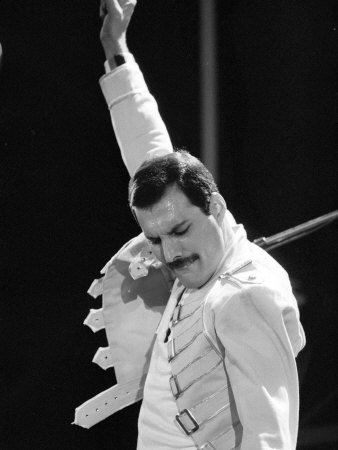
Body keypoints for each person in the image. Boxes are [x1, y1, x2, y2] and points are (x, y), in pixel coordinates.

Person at [74, 1, 306, 448]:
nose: (171, 253)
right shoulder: (183, 218)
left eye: (180, 232)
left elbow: (271, 438)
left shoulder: (246, 296)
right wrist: (115, 48)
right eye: (155, 239)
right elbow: (146, 140)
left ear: (215, 206)